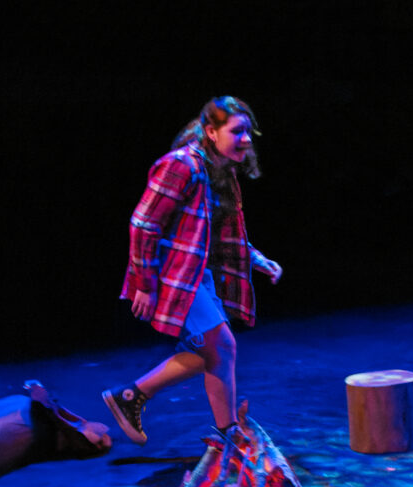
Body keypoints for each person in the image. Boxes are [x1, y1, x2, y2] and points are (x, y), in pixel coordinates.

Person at [103, 96, 282, 446]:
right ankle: (230, 438)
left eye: (249, 132)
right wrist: (144, 284)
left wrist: (257, 259)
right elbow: (143, 225)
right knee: (223, 346)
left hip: (198, 274)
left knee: (209, 353)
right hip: (174, 275)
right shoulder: (181, 165)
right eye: (237, 131)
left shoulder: (222, 172)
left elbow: (218, 234)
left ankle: (130, 396)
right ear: (212, 132)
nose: (246, 139)